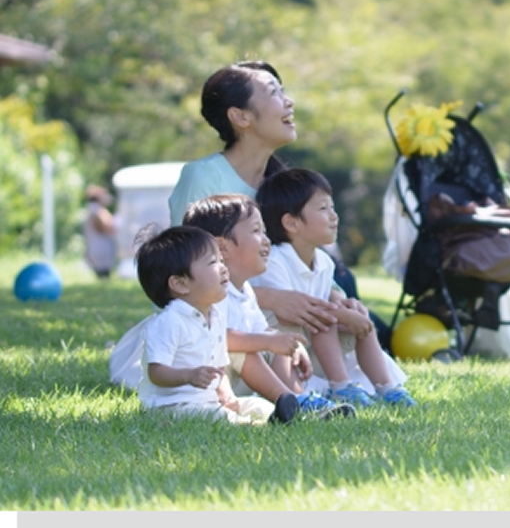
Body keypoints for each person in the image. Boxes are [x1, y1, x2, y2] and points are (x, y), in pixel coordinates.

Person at [167, 60, 392, 346]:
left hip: (276, 319)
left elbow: (302, 258)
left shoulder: (281, 183)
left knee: (345, 306)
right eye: (275, 93)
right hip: (213, 328)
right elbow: (181, 271)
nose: (289, 102)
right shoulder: (203, 177)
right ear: (240, 116)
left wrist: (339, 299)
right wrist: (272, 299)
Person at [182, 193, 355, 419]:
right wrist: (269, 341)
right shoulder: (211, 295)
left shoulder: (246, 291)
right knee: (255, 345)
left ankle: (298, 398)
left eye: (264, 231)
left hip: (240, 382)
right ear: (222, 248)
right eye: (256, 231)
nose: (267, 240)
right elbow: (216, 337)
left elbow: (263, 331)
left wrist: (288, 344)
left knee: (275, 339)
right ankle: (290, 399)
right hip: (211, 384)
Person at [255, 167, 417, 407]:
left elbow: (325, 306)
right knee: (328, 318)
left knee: (354, 315)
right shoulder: (275, 260)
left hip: (313, 340)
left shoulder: (324, 262)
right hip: (281, 347)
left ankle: (388, 388)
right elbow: (289, 314)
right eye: (323, 208)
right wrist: (341, 314)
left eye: (332, 207)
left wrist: (348, 311)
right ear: (291, 222)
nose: (334, 216)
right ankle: (340, 386)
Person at [134, 224, 299, 425]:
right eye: (213, 262)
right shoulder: (169, 322)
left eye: (222, 260)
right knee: (219, 418)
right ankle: (260, 426)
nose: (223, 267)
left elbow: (219, 366)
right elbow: (156, 372)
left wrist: (226, 393)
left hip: (207, 402)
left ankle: (281, 411)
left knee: (255, 405)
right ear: (180, 284)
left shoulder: (216, 315)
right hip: (170, 407)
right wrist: (188, 375)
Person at [83, 184, 117, 279]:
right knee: (103, 274)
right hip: (100, 249)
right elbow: (105, 228)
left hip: (100, 248)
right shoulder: (96, 211)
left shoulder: (97, 210)